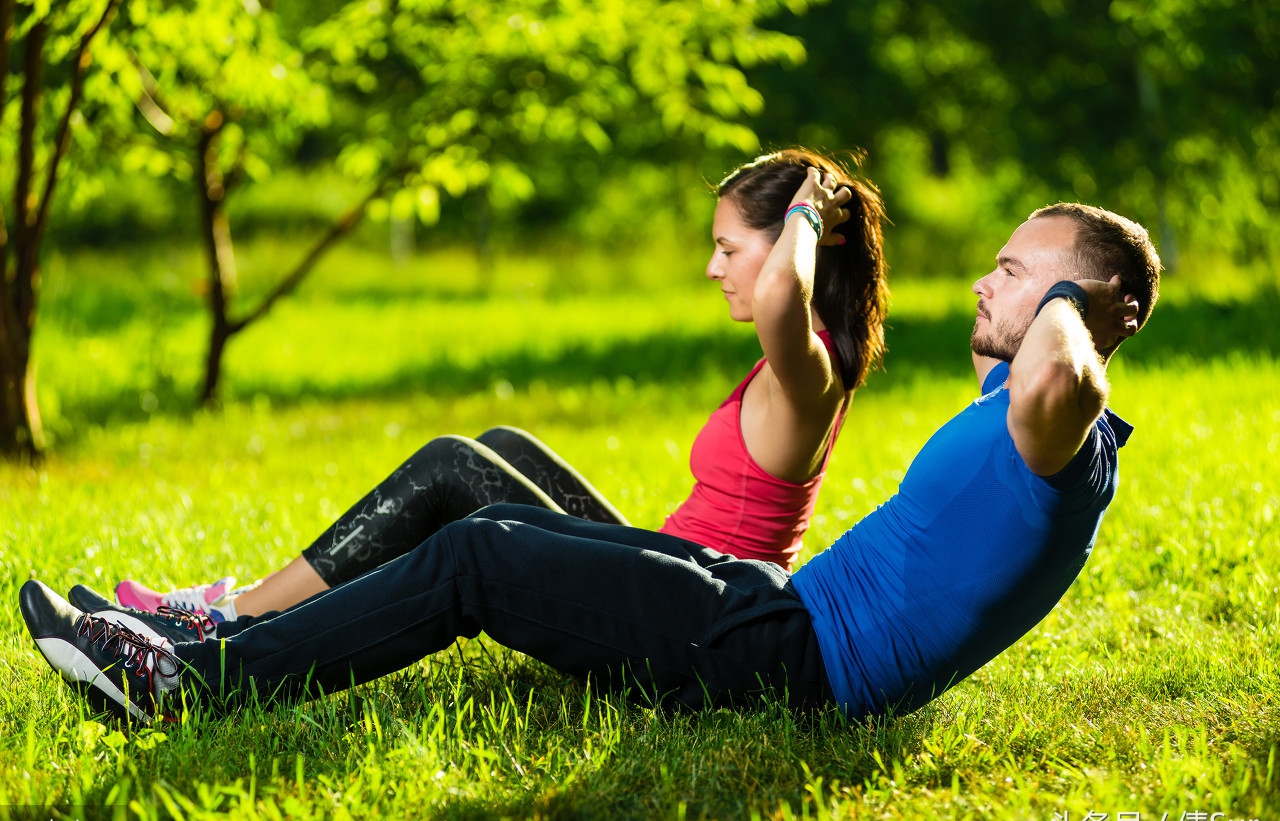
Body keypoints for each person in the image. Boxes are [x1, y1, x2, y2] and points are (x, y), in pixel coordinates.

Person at [20, 201, 1158, 726]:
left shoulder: (1058, 432)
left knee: (476, 556)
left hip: (792, 663)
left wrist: (1069, 298)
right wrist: (1041, 300)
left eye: (1016, 272)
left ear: (1090, 306)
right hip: (770, 610)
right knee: (489, 499)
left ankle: (197, 687)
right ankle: (193, 638)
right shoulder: (1018, 418)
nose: (985, 283)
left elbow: (1061, 373)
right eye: (999, 266)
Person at [88, 148, 890, 625]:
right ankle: (255, 603)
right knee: (501, 447)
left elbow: (784, 291)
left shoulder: (809, 370)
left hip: (686, 616)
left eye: (727, 248)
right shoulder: (793, 369)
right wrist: (800, 219)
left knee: (451, 466)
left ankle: (238, 615)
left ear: (788, 244)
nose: (712, 269)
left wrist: (806, 212)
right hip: (664, 576)